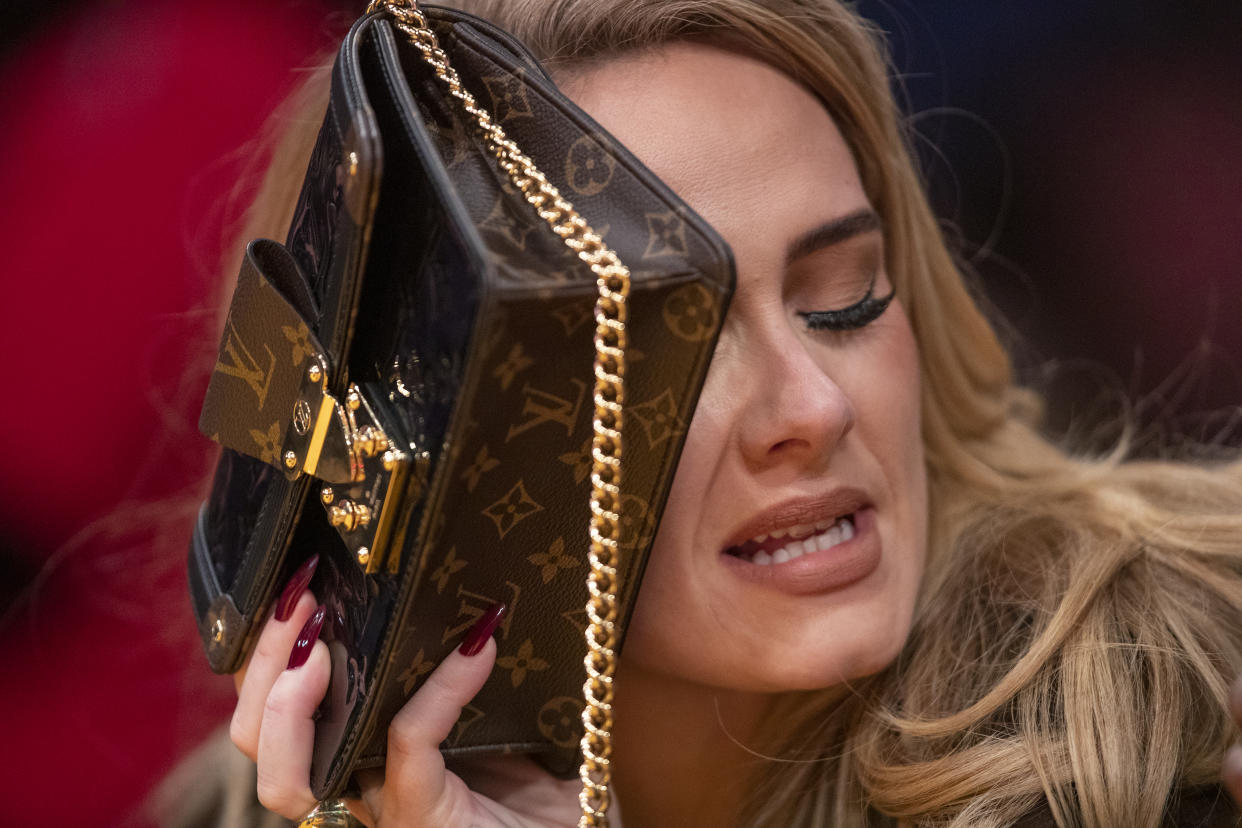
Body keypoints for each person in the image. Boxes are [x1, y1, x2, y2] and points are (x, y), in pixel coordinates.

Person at [165, 0, 1242, 825]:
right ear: (418, 446)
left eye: (844, 300)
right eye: (657, 347)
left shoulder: (1182, 723)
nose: (812, 409)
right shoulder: (248, 806)